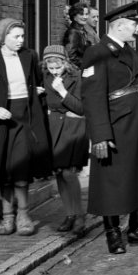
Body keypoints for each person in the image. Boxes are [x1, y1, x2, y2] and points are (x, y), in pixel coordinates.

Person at [81, 1, 138, 254]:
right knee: (112, 181)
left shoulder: (130, 52)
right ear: (119, 27)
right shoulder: (97, 53)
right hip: (116, 125)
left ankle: (137, 227)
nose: (137, 30)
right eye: (134, 25)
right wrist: (100, 135)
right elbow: (92, 97)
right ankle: (112, 233)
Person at [0, 19, 52, 236]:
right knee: (4, 170)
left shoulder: (29, 56)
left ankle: (24, 215)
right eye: (15, 36)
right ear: (3, 37)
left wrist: (37, 92)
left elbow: (36, 82)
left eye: (22, 36)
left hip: (24, 118)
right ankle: (7, 217)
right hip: (1, 120)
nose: (21, 41)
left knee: (21, 168)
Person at [41, 45, 88, 235]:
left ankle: (80, 215)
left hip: (74, 129)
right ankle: (69, 214)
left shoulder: (78, 78)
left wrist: (62, 92)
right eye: (50, 68)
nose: (54, 72)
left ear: (65, 63)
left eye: (57, 68)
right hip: (54, 128)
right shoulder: (45, 77)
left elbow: (81, 107)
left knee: (69, 173)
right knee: (59, 172)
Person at [61, 1, 95, 68]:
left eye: (86, 14)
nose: (85, 17)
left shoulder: (82, 31)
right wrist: (87, 64)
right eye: (81, 14)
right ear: (74, 17)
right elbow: (70, 57)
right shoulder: (73, 32)